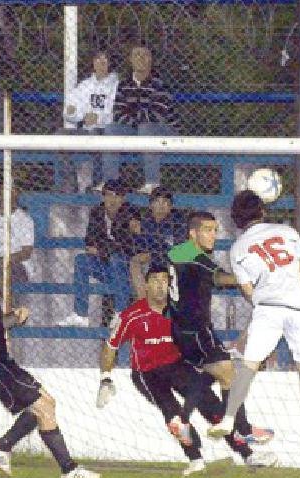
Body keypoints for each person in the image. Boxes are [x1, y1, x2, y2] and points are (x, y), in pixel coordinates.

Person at [0, 245, 100, 478]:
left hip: (6, 364)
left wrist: (15, 317)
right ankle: (69, 470)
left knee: (47, 404)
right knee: (43, 408)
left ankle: (3, 446)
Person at [96, 266, 278, 475]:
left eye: (164, 280)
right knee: (172, 414)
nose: (160, 285)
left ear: (170, 284)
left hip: (178, 367)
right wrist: (106, 378)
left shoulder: (180, 312)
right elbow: (110, 347)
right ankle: (195, 459)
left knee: (212, 406)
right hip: (147, 373)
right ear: (146, 285)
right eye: (154, 280)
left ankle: (249, 455)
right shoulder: (132, 315)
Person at [207, 191, 300, 455]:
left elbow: (247, 290)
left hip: (268, 306)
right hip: (299, 306)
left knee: (248, 365)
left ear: (236, 219)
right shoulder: (287, 231)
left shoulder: (237, 249)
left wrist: (259, 302)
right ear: (262, 211)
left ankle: (228, 418)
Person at [167, 211, 274, 445]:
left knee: (212, 373)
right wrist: (253, 275)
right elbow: (221, 278)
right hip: (197, 330)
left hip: (178, 329)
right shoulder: (197, 257)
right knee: (228, 373)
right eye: (207, 230)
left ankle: (182, 419)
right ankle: (243, 429)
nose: (213, 235)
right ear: (192, 233)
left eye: (215, 230)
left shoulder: (175, 252)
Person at [56, 179, 139, 327]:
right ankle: (80, 314)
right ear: (103, 196)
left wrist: (102, 249)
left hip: (125, 271)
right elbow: (89, 244)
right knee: (81, 260)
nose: (112, 199)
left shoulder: (130, 213)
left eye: (117, 195)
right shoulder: (97, 212)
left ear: (123, 198)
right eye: (108, 195)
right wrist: (108, 248)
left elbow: (127, 247)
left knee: (117, 258)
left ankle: (121, 313)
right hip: (105, 267)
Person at [102, 45, 178, 194]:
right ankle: (110, 183)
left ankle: (152, 183)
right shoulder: (124, 85)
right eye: (136, 55)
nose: (140, 59)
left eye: (145, 55)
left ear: (151, 59)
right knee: (111, 128)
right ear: (130, 60)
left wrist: (132, 116)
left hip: (165, 131)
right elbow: (118, 114)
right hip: (136, 130)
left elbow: (156, 116)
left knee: (147, 127)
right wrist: (139, 118)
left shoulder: (160, 84)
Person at [57, 50, 119, 192]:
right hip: (85, 129)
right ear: (93, 62)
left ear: (110, 63)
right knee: (61, 134)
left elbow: (115, 111)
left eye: (105, 60)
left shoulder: (116, 85)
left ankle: (98, 183)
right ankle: (69, 183)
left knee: (98, 135)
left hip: (105, 130)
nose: (101, 63)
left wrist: (98, 117)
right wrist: (81, 116)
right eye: (98, 59)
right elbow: (69, 110)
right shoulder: (85, 85)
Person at [0, 186, 35, 307]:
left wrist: (3, 261)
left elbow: (26, 253)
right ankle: (10, 306)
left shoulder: (25, 220)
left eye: (11, 193)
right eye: (3, 193)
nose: (7, 197)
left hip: (18, 266)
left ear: (16, 195)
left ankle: (8, 306)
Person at [129, 187, 186, 300]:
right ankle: (143, 303)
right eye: (157, 202)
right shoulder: (146, 222)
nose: (161, 206)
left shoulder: (178, 222)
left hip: (170, 264)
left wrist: (153, 253)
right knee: (134, 261)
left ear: (170, 207)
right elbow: (139, 247)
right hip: (151, 263)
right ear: (150, 205)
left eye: (165, 202)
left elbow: (177, 250)